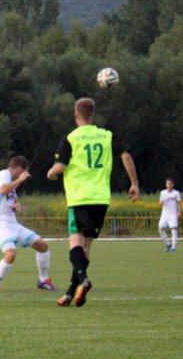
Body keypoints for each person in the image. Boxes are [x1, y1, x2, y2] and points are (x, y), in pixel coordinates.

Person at [47, 97, 139, 307]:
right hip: (100, 199)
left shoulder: (71, 137)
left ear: (75, 115)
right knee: (86, 247)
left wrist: (51, 173)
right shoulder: (107, 135)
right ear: (93, 115)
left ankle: (83, 280)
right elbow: (125, 156)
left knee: (75, 244)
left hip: (79, 198)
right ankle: (71, 292)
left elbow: (60, 167)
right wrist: (134, 184)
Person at [0, 156, 56, 293]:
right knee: (11, 253)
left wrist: (16, 205)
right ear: (20, 169)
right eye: (24, 172)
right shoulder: (3, 174)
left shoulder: (10, 182)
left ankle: (43, 280)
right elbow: (2, 190)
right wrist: (20, 179)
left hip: (13, 224)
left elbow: (2, 196)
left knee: (42, 245)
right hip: (1, 224)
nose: (24, 176)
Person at [158, 178, 181, 253]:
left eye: (170, 183)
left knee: (174, 230)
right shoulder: (162, 192)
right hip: (164, 214)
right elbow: (160, 203)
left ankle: (173, 248)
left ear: (172, 185)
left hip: (173, 214)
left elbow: (179, 203)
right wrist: (162, 201)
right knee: (160, 229)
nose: (168, 185)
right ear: (165, 185)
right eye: (167, 183)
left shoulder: (176, 193)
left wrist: (179, 212)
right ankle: (168, 243)